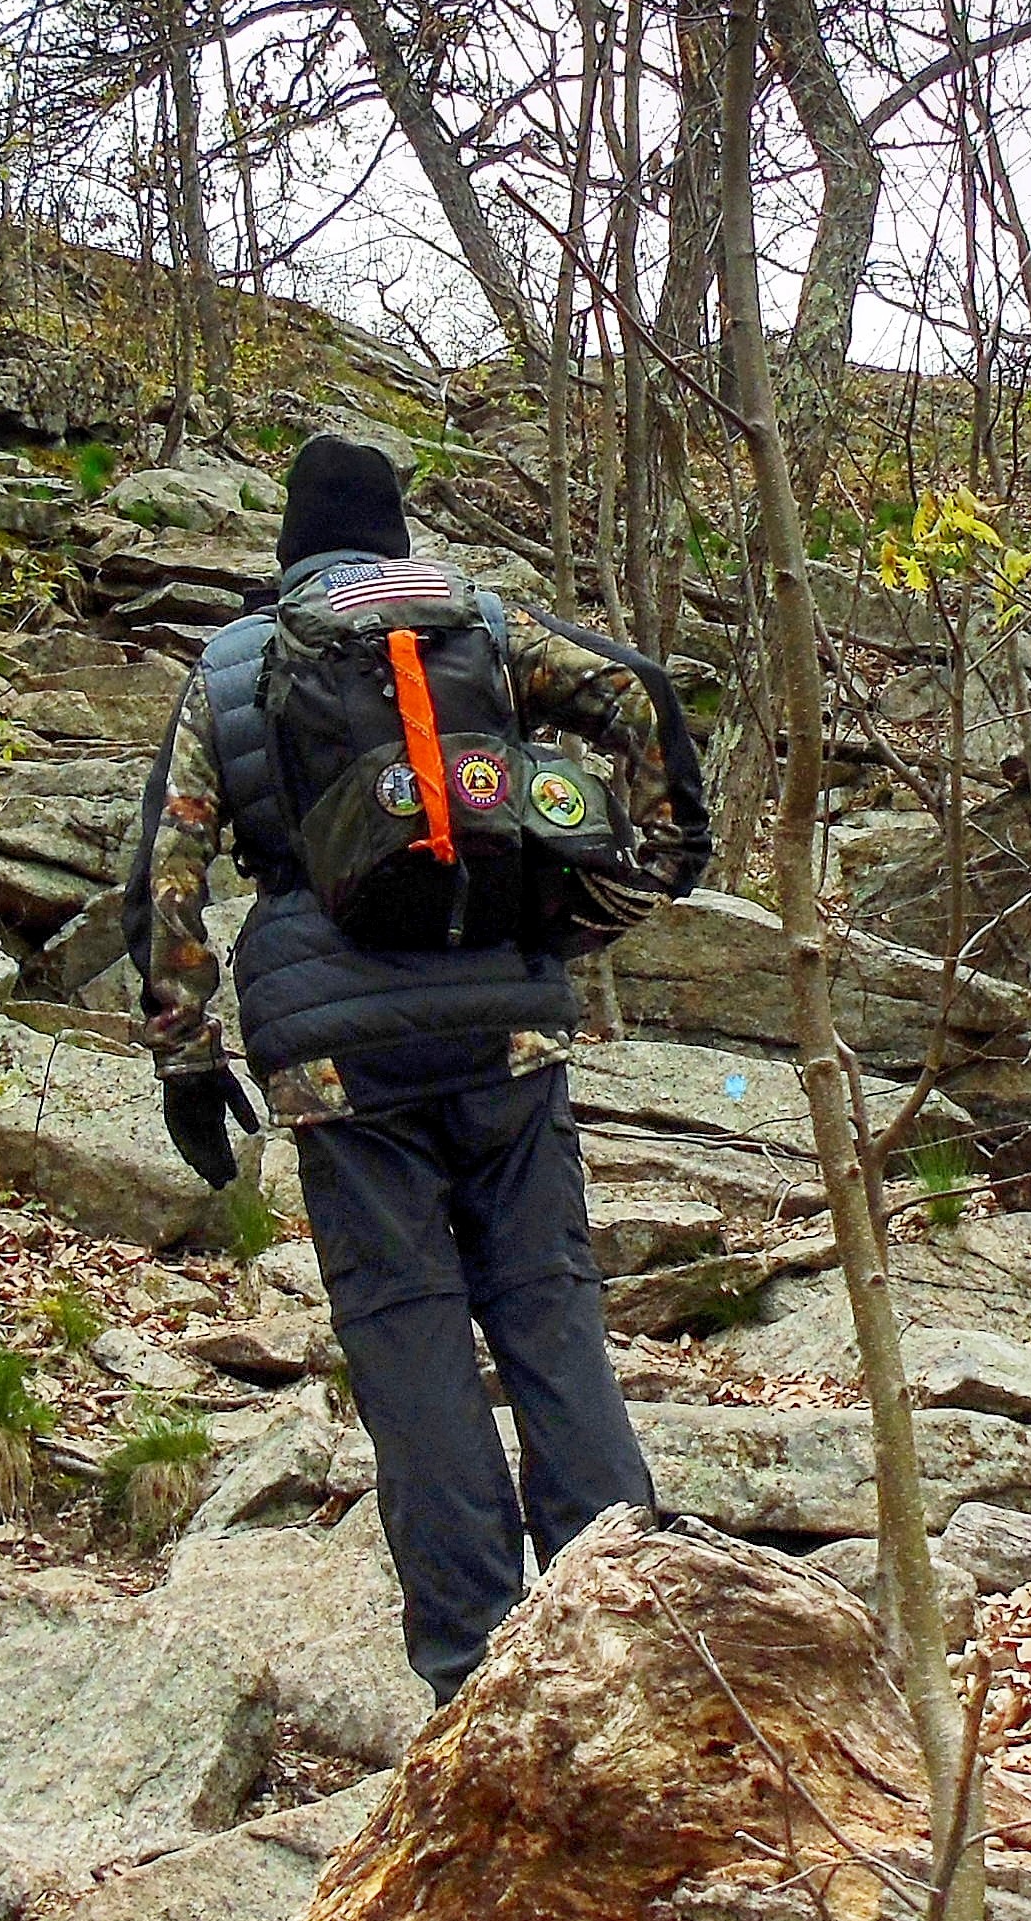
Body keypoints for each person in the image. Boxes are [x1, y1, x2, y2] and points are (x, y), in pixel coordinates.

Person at [125, 434, 699, 1700]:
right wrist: (607, 905)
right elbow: (642, 697)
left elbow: (167, 868)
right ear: (394, 537)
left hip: (335, 1058)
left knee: (408, 1341)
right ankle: (623, 1628)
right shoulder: (484, 624)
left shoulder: (235, 661)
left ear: (290, 543)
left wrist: (185, 1051)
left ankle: (474, 1670)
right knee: (548, 1306)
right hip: (505, 1018)